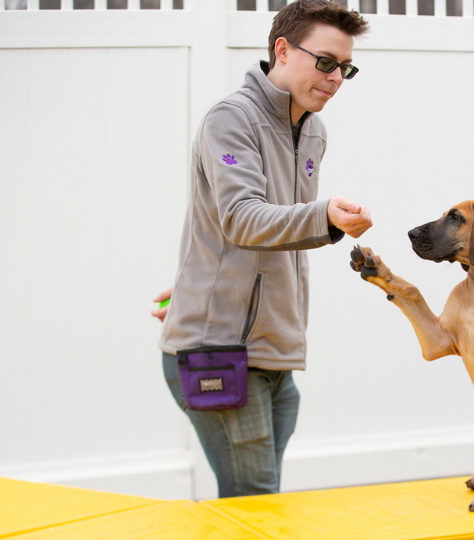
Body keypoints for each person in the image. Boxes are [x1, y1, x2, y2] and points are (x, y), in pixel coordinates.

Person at [155, 0, 371, 498]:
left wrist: (198, 284)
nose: (336, 77)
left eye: (345, 67)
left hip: (274, 354)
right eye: (325, 62)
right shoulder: (231, 119)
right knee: (255, 506)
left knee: (257, 508)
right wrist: (326, 216)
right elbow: (242, 218)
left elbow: (268, 238)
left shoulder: (313, 130)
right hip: (221, 353)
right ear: (282, 49)